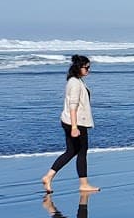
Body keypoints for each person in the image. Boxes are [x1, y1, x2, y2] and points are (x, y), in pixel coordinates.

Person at [42, 54, 100, 194]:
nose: (88, 70)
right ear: (78, 68)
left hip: (70, 121)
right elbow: (73, 105)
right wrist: (74, 127)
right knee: (81, 152)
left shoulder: (76, 81)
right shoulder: (74, 83)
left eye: (89, 67)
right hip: (76, 122)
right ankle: (84, 184)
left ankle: (49, 176)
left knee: (71, 151)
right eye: (86, 67)